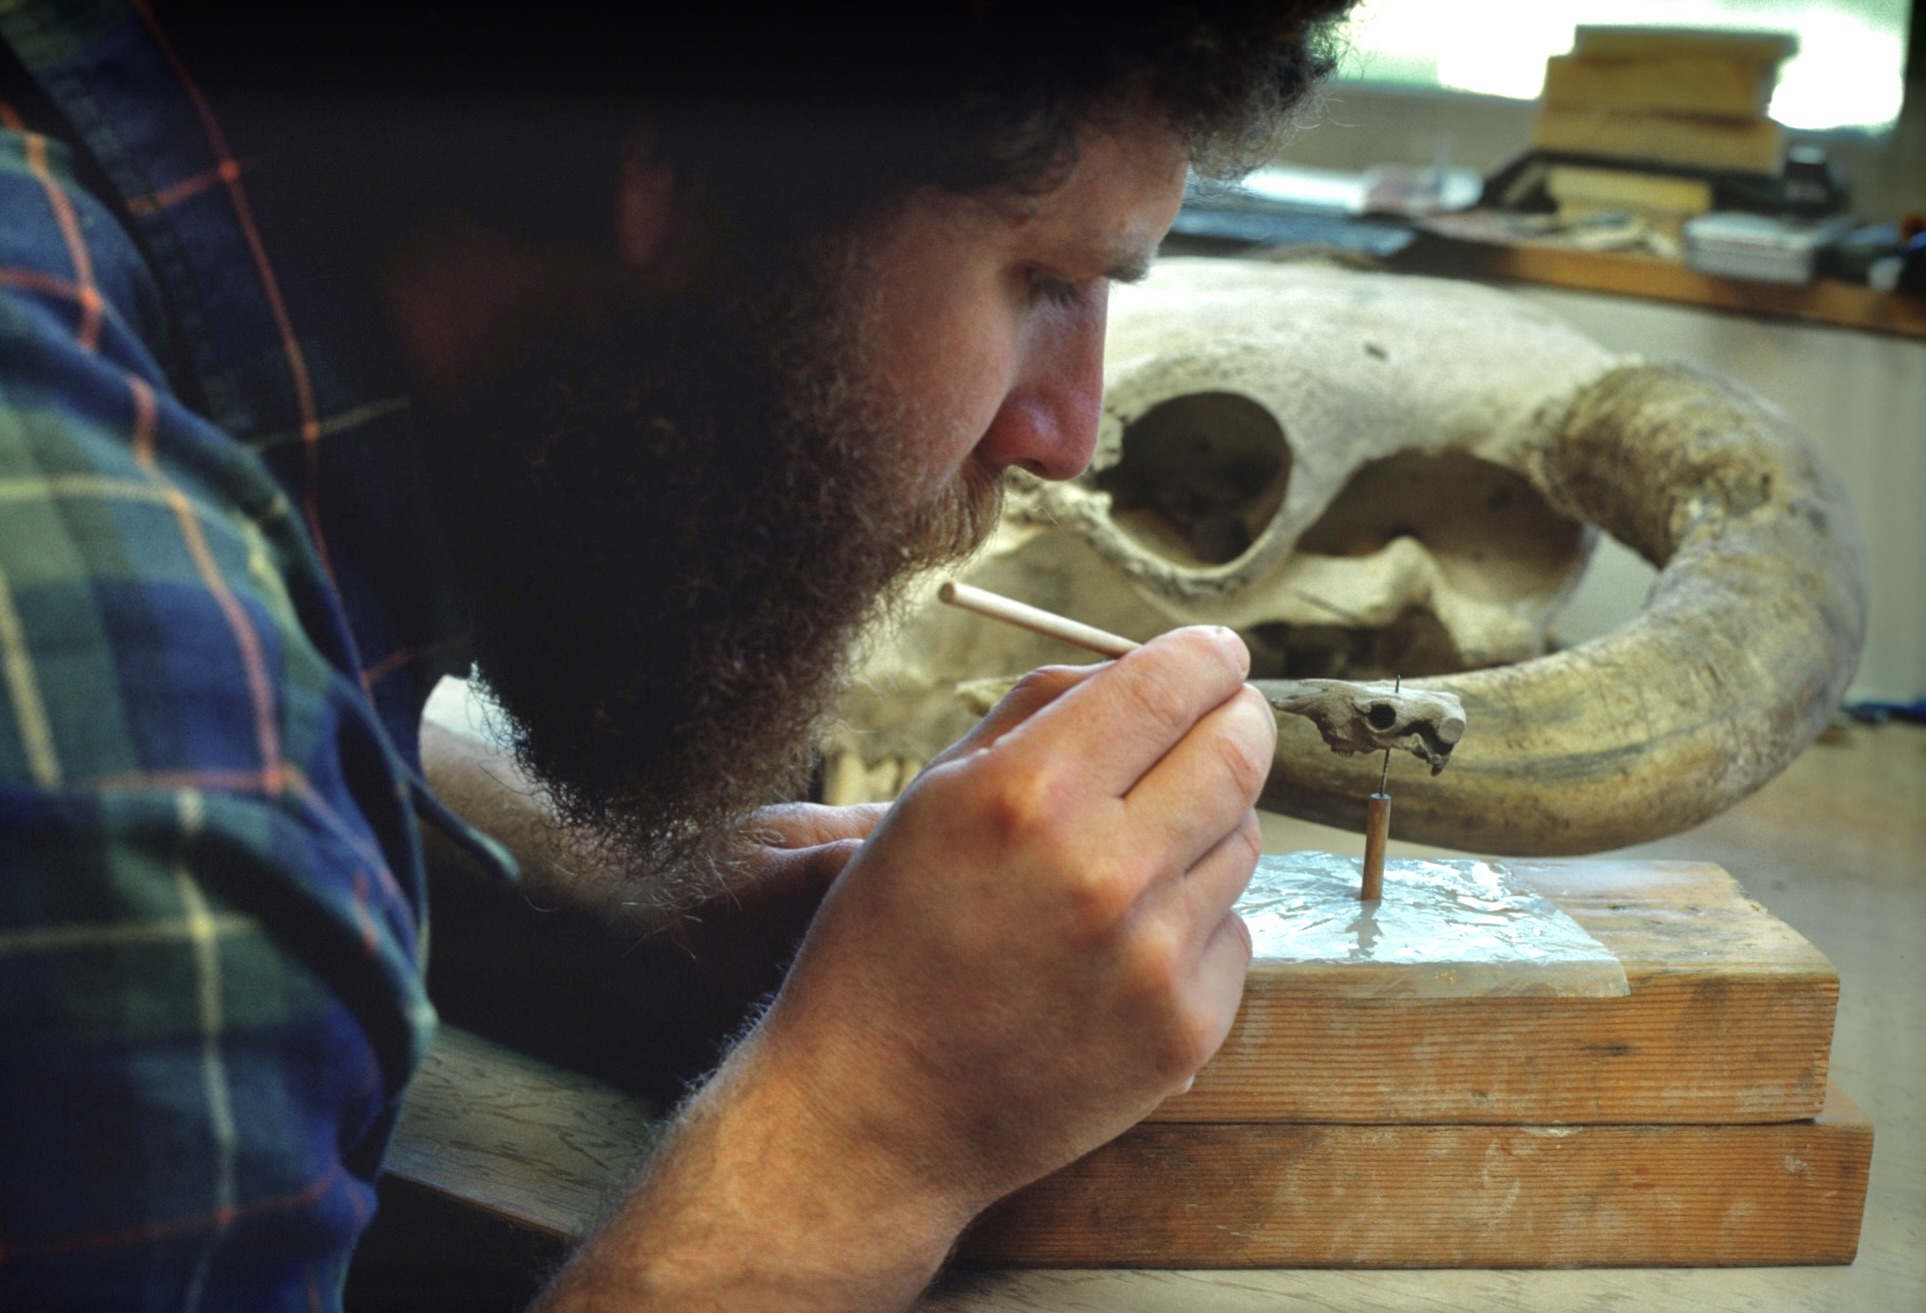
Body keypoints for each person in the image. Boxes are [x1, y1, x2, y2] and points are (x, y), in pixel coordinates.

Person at [0, 2, 1355, 1307]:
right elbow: (180, 785)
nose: (1061, 432)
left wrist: (615, 900)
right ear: (693, 147)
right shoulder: (147, 753)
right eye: (1044, 279)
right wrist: (865, 1123)